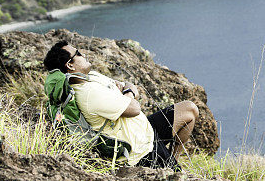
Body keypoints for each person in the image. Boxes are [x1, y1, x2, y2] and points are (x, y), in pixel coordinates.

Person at [43, 40, 199, 168]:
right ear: (70, 65)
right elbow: (134, 107)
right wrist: (128, 93)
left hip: (144, 130)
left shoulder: (91, 76)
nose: (83, 54)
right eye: (78, 54)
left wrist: (127, 93)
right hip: (139, 150)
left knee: (189, 110)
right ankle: (170, 166)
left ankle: (173, 159)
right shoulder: (88, 93)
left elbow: (128, 84)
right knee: (179, 179)